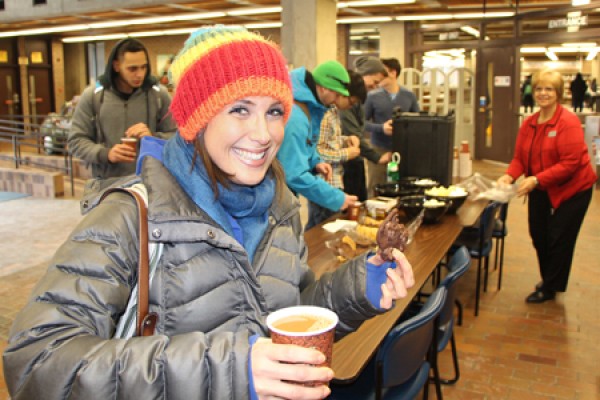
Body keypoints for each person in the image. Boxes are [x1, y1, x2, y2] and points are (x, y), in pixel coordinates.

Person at [3, 26, 415, 400]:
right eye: (239, 109)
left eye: (274, 111)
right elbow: (37, 361)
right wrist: (231, 370)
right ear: (196, 118)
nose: (263, 134)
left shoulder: (279, 207)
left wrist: (358, 287)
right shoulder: (131, 217)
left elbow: (285, 315)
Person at [497, 69, 596, 304]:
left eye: (549, 89)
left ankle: (550, 286)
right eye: (539, 88)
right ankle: (549, 278)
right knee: (539, 235)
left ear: (558, 93)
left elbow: (571, 163)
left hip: (573, 189)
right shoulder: (529, 123)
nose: (543, 93)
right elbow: (520, 158)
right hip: (541, 187)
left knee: (559, 238)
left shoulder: (567, 122)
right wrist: (509, 176)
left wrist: (536, 179)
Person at [68, 38, 176, 179]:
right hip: (106, 184)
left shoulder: (159, 95)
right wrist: (106, 154)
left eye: (143, 67)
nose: (140, 74)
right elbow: (76, 141)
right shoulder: (92, 96)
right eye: (132, 69)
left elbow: (177, 138)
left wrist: (153, 138)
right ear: (116, 66)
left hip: (150, 183)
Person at [277, 60, 358, 230]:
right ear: (323, 88)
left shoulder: (309, 107)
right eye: (336, 94)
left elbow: (307, 141)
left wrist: (316, 161)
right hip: (273, 198)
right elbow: (294, 174)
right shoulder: (296, 117)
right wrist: (337, 198)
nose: (337, 101)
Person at [310, 71, 365, 226]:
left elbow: (329, 141)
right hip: (324, 183)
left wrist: (347, 139)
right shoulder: (324, 114)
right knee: (320, 229)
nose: (351, 106)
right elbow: (316, 151)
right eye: (351, 101)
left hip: (335, 181)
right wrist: (346, 154)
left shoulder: (333, 111)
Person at [364, 57, 420, 197]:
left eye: (382, 71)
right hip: (378, 149)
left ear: (393, 73)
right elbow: (362, 123)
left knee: (403, 188)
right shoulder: (372, 97)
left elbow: (418, 122)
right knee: (375, 187)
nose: (378, 76)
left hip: (403, 150)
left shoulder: (409, 96)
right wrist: (381, 128)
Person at [340, 56, 391, 201]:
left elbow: (359, 129)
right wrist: (376, 157)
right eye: (374, 82)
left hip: (355, 158)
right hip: (344, 162)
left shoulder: (358, 100)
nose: (375, 87)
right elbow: (353, 132)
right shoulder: (347, 100)